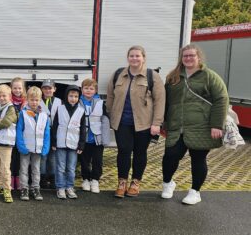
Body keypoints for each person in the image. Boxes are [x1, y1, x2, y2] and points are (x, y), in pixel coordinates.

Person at [160, 44, 228, 205]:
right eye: (185, 56)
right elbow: (165, 101)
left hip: (202, 127)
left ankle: (195, 191)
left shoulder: (209, 76)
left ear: (199, 57)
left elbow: (221, 99)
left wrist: (217, 125)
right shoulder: (173, 77)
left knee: (198, 159)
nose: (188, 58)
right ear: (181, 59)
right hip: (177, 127)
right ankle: (168, 183)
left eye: (192, 55)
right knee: (170, 156)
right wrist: (162, 122)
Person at [106, 45, 166, 198]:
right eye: (131, 56)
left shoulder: (152, 76)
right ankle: (121, 182)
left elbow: (160, 101)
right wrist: (111, 116)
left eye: (137, 56)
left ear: (143, 58)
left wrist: (156, 123)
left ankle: (135, 182)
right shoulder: (118, 75)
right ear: (128, 58)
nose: (134, 58)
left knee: (140, 153)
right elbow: (110, 97)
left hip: (144, 124)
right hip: (122, 122)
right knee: (123, 152)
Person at [15, 86, 50, 201]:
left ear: (40, 100)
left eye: (36, 100)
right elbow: (19, 131)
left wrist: (45, 147)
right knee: (24, 169)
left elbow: (46, 133)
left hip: (38, 149)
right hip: (25, 148)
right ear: (27, 100)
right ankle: (24, 189)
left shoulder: (44, 115)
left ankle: (36, 188)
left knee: (36, 169)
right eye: (31, 100)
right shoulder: (23, 113)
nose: (34, 102)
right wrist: (21, 146)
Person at [52, 85, 86, 200]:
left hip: (74, 144)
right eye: (71, 96)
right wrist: (54, 142)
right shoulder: (60, 109)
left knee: (71, 168)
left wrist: (81, 144)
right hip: (60, 143)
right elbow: (55, 126)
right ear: (66, 96)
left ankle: (69, 187)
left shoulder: (81, 111)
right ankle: (60, 187)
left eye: (76, 96)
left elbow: (83, 130)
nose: (73, 98)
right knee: (60, 167)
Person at [79, 78, 110, 194]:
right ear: (81, 90)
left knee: (97, 161)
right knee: (84, 160)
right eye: (86, 88)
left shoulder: (100, 103)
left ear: (96, 90)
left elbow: (105, 121)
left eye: (91, 89)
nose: (88, 90)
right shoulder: (78, 102)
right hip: (83, 138)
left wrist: (105, 139)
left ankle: (95, 180)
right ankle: (86, 179)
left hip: (97, 138)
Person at [39, 79, 61, 189]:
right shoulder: (37, 101)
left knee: (52, 157)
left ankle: (52, 178)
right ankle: (42, 178)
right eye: (45, 88)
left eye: (50, 88)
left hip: (54, 132)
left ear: (54, 89)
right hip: (41, 132)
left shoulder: (58, 101)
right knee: (42, 156)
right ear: (42, 89)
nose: (48, 90)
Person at [9, 77, 26, 190]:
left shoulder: (26, 101)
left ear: (23, 89)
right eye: (15, 88)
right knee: (10, 157)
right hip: (9, 134)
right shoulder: (7, 100)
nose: (17, 90)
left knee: (20, 157)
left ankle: (19, 179)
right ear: (11, 88)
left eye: (19, 88)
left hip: (22, 134)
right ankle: (10, 178)